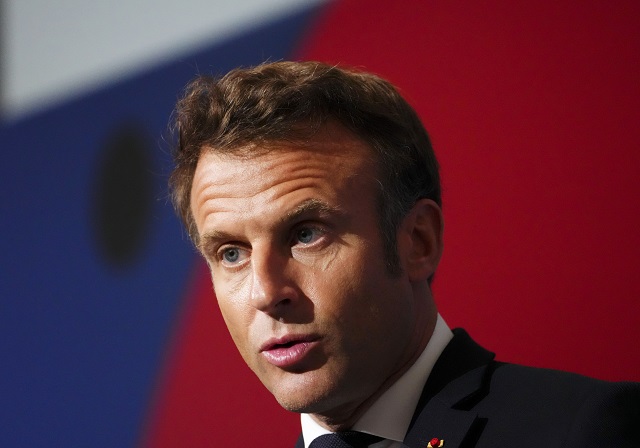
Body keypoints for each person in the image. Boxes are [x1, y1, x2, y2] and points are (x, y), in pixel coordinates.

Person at [168, 61, 639, 448]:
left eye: (306, 234)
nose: (267, 293)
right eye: (232, 253)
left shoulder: (585, 430)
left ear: (418, 241)